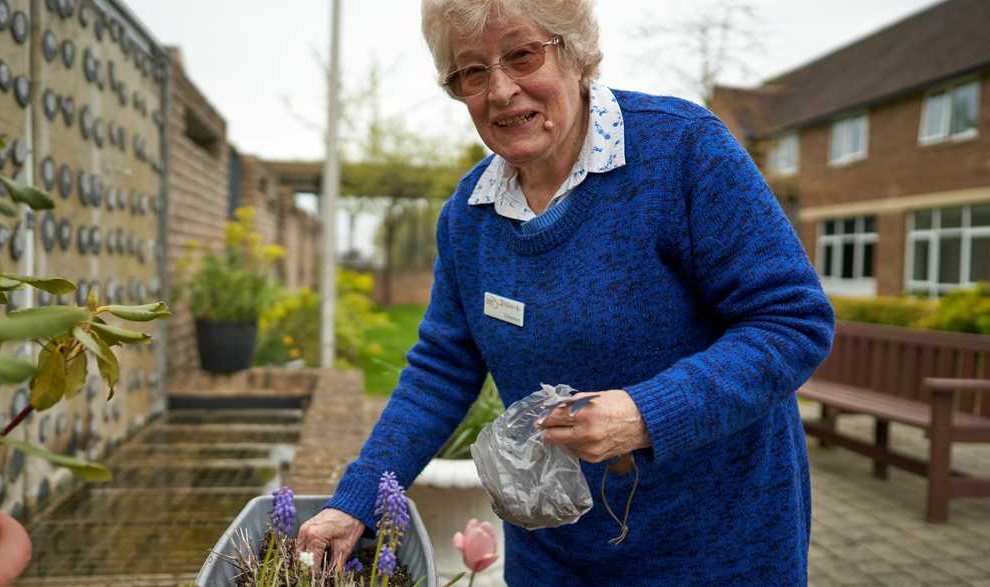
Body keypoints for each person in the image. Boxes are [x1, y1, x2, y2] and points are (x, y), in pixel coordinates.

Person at [296, 0, 835, 584]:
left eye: (523, 55)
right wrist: (355, 499)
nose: (501, 90)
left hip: (717, 542)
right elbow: (441, 371)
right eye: (473, 72)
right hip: (553, 550)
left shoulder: (682, 152)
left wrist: (645, 414)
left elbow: (792, 322)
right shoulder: (469, 216)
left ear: (576, 54)